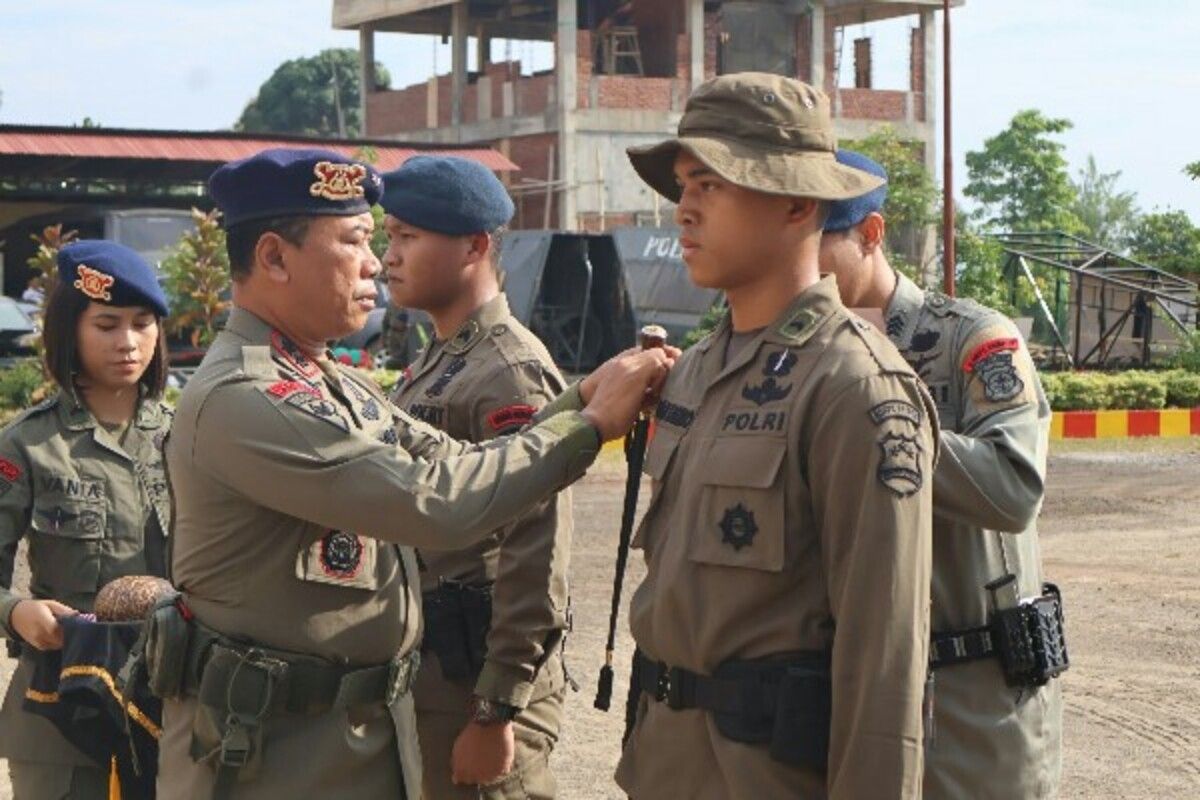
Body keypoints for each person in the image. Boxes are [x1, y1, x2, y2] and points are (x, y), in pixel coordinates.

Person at [157, 148, 675, 800]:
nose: (376, 260)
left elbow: (454, 461)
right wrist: (590, 427)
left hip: (340, 737)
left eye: (387, 239)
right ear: (274, 258)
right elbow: (433, 502)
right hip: (272, 757)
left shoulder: (329, 381)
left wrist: (584, 399)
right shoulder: (248, 396)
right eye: (355, 241)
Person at [566, 71, 937, 798]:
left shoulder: (854, 385)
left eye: (712, 185)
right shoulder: (702, 365)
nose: (684, 210)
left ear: (799, 202)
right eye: (683, 186)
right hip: (669, 766)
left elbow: (885, 659)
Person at [818, 149, 1063, 800]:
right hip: (847, 693)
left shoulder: (970, 340)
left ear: (870, 234)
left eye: (817, 237)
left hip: (971, 702)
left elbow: (1012, 489)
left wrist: (876, 418)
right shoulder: (797, 361)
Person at [382, 155, 572, 798]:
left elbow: (536, 547)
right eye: (389, 236)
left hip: (479, 682)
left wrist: (497, 705)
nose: (389, 256)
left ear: (475, 245)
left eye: (408, 236)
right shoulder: (439, 357)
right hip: (438, 672)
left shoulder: (507, 370)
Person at [0, 240, 173, 799]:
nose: (127, 341)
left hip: (177, 705)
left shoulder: (191, 438)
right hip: (62, 709)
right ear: (70, 330)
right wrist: (16, 611)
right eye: (106, 324)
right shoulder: (29, 444)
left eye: (141, 322)